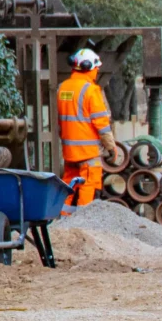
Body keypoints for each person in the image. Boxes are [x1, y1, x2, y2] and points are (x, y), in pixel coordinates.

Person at [56, 48, 118, 207]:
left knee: (68, 186)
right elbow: (101, 123)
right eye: (96, 68)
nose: (97, 72)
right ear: (88, 67)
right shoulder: (91, 90)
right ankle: (83, 225)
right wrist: (110, 147)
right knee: (88, 186)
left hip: (69, 152)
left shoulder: (63, 88)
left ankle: (60, 221)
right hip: (88, 153)